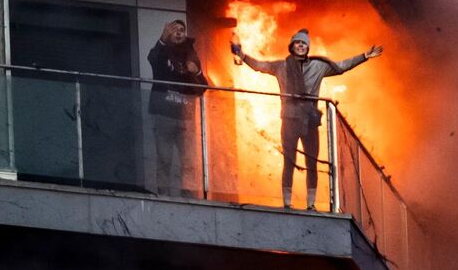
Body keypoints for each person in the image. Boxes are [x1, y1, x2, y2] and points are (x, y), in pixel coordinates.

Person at [232, 28, 382, 209]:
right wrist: (243, 55)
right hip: (289, 118)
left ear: (307, 47)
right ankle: (287, 203)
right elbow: (259, 66)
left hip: (310, 120)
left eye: (304, 43)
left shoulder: (319, 66)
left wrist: (364, 56)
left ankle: (311, 204)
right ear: (292, 46)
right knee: (289, 160)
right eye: (298, 43)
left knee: (312, 162)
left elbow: (341, 67)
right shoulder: (281, 66)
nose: (301, 46)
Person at [147, 19, 209, 197]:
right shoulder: (162, 53)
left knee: (189, 161)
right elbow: (152, 58)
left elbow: (203, 88)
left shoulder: (191, 54)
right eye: (175, 30)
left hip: (186, 118)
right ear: (169, 34)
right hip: (164, 117)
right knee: (164, 159)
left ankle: (188, 194)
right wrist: (162, 38)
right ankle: (164, 195)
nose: (180, 32)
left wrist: (195, 72)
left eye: (182, 30)